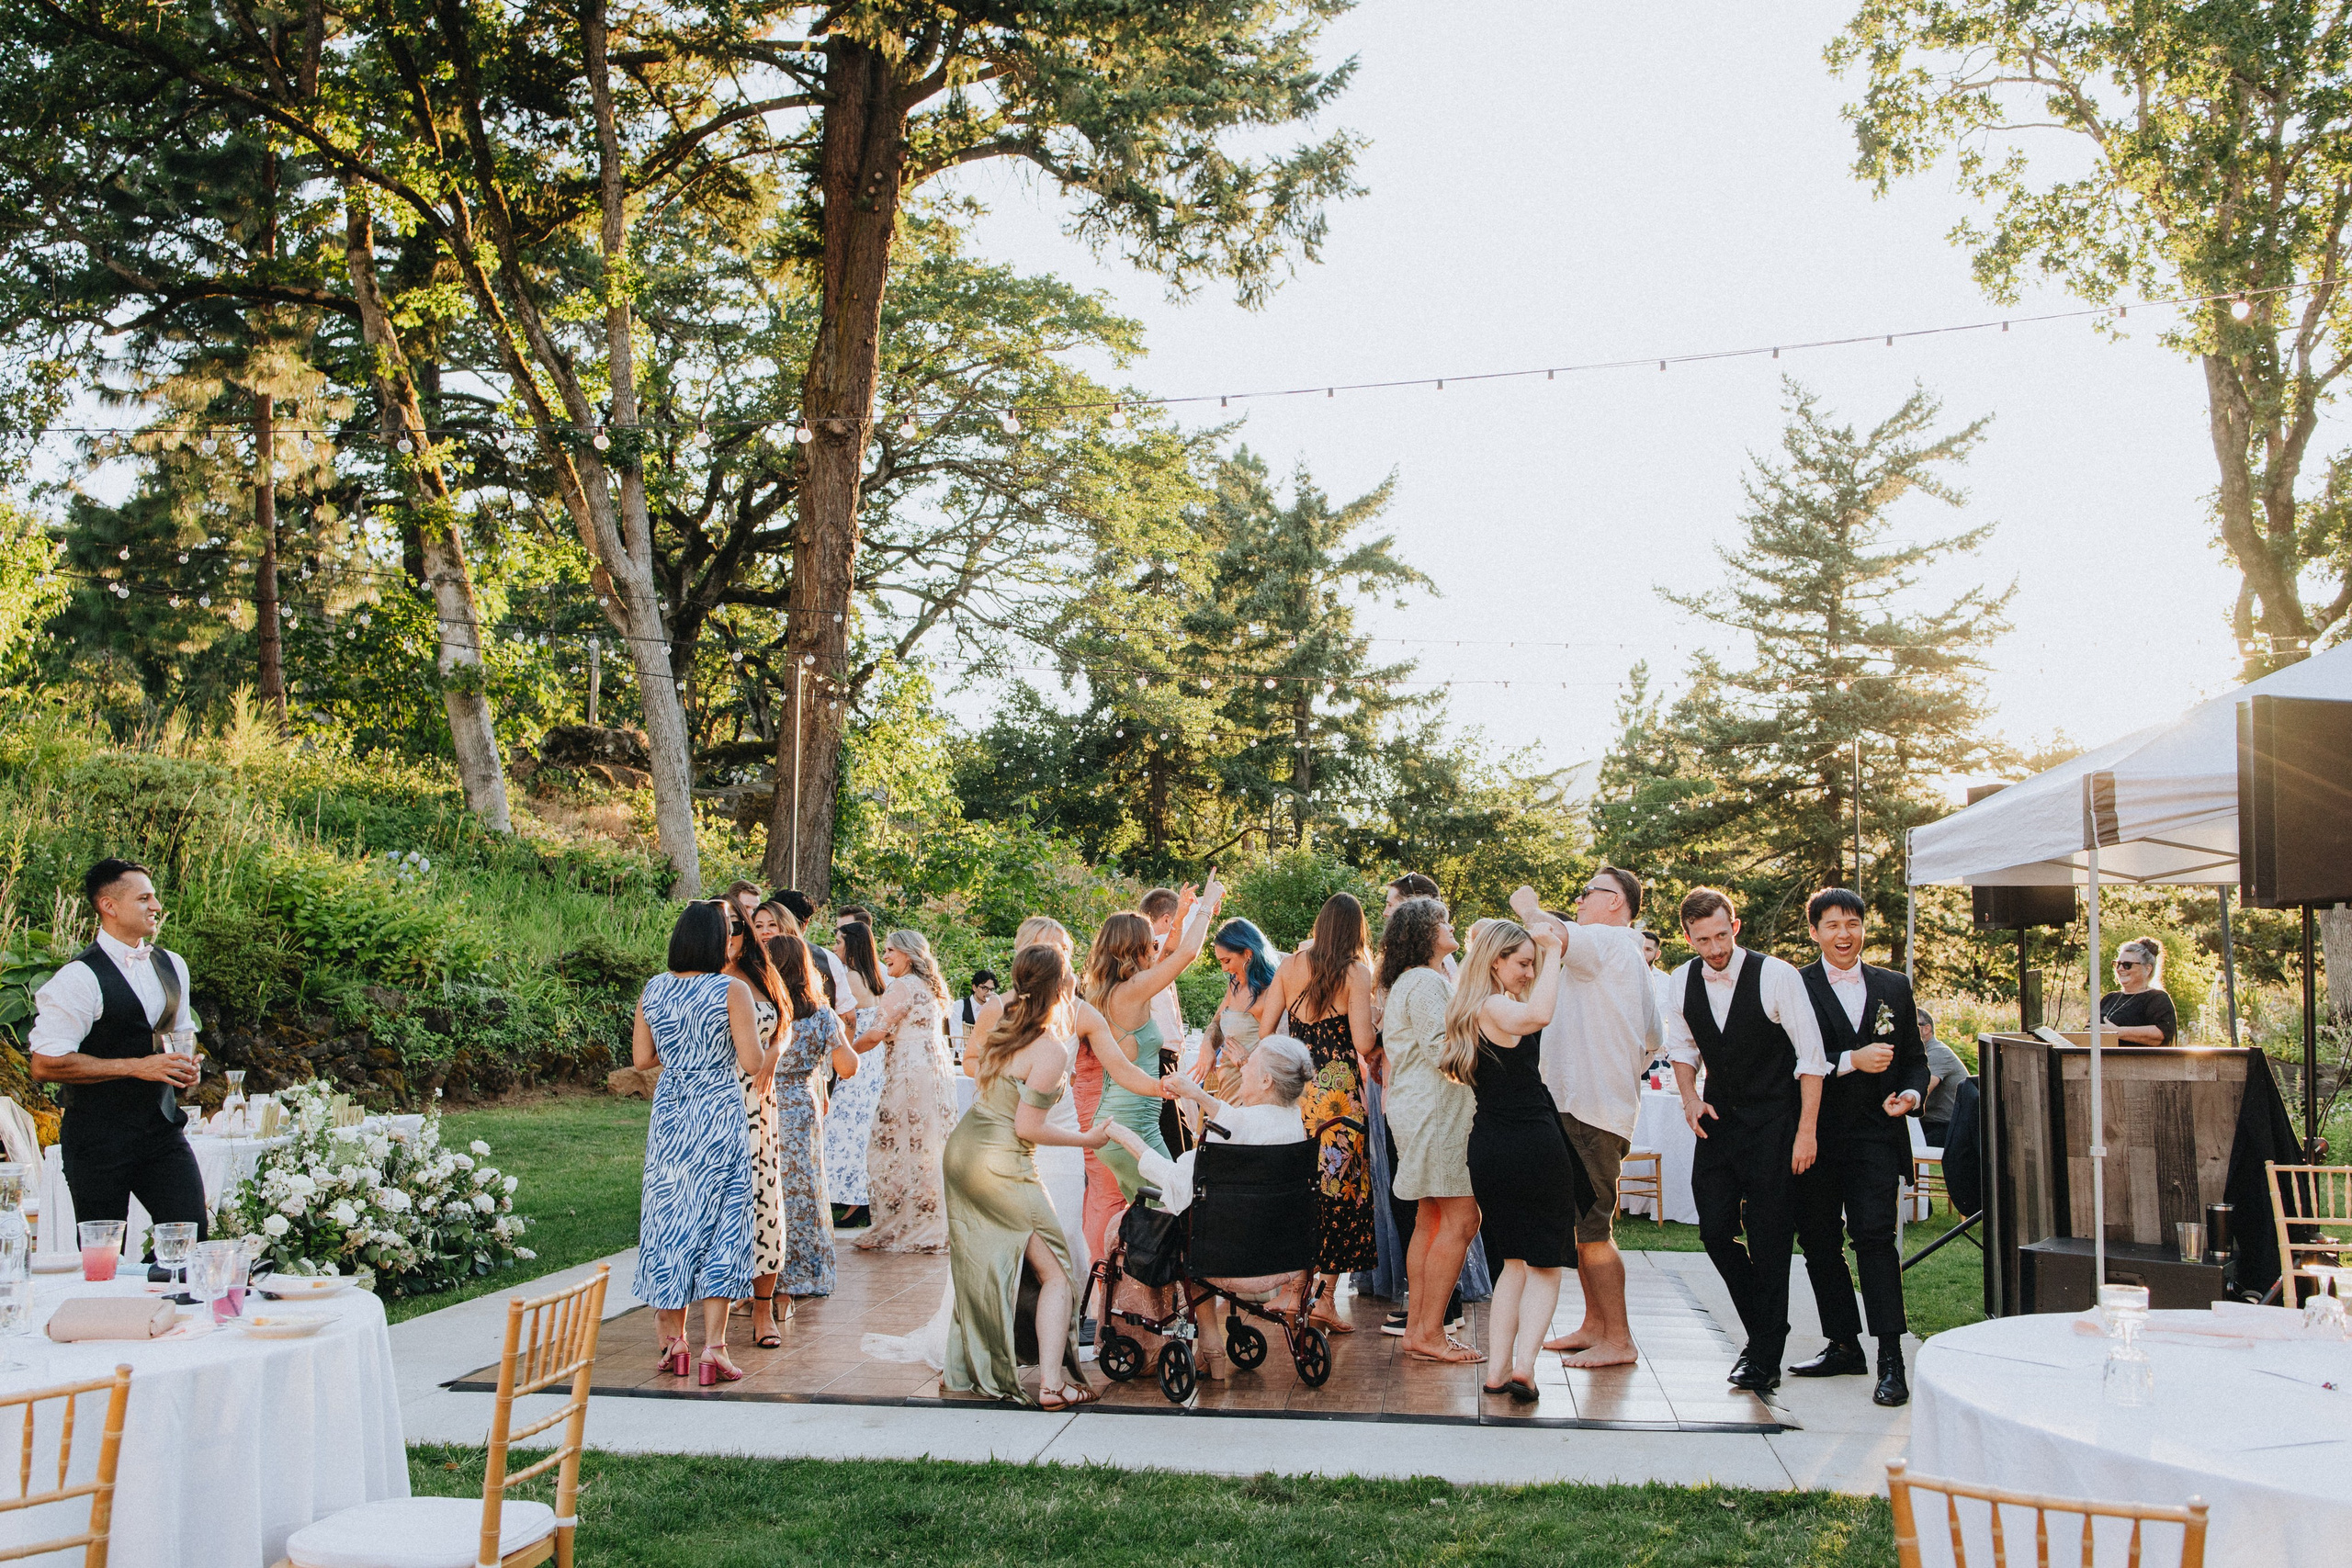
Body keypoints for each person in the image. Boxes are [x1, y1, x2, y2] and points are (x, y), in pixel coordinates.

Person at [1664, 886, 1829, 1395]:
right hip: (1718, 1122)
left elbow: (1811, 1058)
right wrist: (1690, 1097)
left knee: (1770, 1238)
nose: (1715, 949)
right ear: (1688, 938)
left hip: (1776, 1124)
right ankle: (1766, 1328)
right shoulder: (1680, 981)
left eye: (1721, 936)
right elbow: (1682, 1048)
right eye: (1702, 940)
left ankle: (1764, 1357)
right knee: (1714, 1232)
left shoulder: (1776, 975)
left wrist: (1806, 1133)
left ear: (1734, 927)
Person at [943, 943, 1112, 1409]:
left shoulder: (1003, 1028)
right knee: (1058, 1273)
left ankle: (972, 1366)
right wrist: (1087, 1138)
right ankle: (1052, 1385)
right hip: (1001, 1162)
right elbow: (1028, 1127)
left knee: (983, 1265)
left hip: (963, 1151)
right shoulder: (1049, 1049)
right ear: (1061, 987)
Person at [1789, 887, 1928, 1407]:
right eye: (1832, 925)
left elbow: (1914, 1060)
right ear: (1815, 932)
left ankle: (1891, 1358)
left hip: (1876, 1135)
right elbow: (1788, 1059)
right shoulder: (1795, 985)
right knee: (1819, 1241)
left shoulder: (1894, 985)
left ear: (1864, 928)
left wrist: (1911, 1094)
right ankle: (1843, 1344)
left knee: (1874, 1239)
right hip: (1815, 1135)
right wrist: (1851, 1060)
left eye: (1852, 923)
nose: (1844, 934)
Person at [1105, 1036, 1317, 1376]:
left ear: (1266, 1080)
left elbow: (1174, 1183)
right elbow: (1243, 1122)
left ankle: (1159, 1346)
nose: (1241, 1068)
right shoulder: (1293, 1122)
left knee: (1131, 1226)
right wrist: (1197, 1094)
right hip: (1282, 1258)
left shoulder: (1226, 1134)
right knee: (1201, 1228)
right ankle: (1210, 1344)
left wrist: (1127, 1139)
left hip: (1225, 1261)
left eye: (1249, 1063)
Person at [1523, 868, 1664, 1370]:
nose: (1579, 900)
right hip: (1589, 1106)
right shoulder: (1628, 957)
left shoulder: (1607, 941)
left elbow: (1549, 932)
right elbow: (1654, 1038)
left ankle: (1619, 1339)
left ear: (1616, 903)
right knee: (1582, 1227)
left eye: (1589, 893)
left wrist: (1527, 904)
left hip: (1589, 1111)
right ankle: (1594, 1325)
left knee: (1594, 1230)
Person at [29, 859, 208, 1247]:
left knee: (190, 1239)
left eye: (154, 897)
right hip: (97, 1139)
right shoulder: (78, 978)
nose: (156, 906)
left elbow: (181, 1033)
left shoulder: (172, 965)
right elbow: (44, 1064)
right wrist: (137, 1067)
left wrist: (186, 1067)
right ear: (109, 906)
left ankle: (165, 1288)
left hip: (161, 1130)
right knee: (102, 1257)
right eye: (144, 899)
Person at [1443, 912, 1583, 1400]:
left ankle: (1497, 1371)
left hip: (1489, 1148)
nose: (1530, 972)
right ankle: (1524, 1367)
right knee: (1545, 1264)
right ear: (1495, 961)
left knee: (1513, 1264)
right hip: (1532, 1145)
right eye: (1523, 963)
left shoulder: (1470, 1009)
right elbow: (1541, 1015)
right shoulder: (1496, 1007)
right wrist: (1555, 951)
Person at [630, 900, 768, 1385]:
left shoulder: (653, 988)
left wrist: (680, 1052)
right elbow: (752, 1062)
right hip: (716, 1112)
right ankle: (715, 1347)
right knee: (722, 1223)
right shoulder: (731, 989)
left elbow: (642, 1059)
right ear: (717, 942)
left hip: (671, 1115)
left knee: (671, 1218)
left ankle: (675, 1341)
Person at [1078, 885, 1216, 1263]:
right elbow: (1186, 954)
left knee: (1154, 1223)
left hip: (1123, 1123)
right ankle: (1157, 1292)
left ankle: (1134, 1294)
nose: (1156, 949)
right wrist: (1207, 905)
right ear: (1135, 949)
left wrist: (1182, 915)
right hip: (1132, 1126)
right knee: (1178, 1208)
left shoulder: (1106, 991)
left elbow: (1171, 953)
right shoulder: (1133, 990)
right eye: (1150, 944)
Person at [1261, 893, 1382, 1325]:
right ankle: (1326, 1299)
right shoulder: (1356, 973)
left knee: (1303, 1190)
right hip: (1340, 1100)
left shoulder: (1290, 966)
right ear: (1355, 931)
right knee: (1341, 1193)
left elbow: (1266, 1029)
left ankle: (1294, 1292)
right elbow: (1363, 1043)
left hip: (1299, 1093)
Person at [1377, 895, 1481, 1365]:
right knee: (1462, 1219)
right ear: (1423, 933)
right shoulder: (1424, 981)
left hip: (1423, 1111)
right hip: (1437, 1115)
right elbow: (1444, 1050)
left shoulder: (1414, 980)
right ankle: (1431, 1332)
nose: (1450, 927)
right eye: (1443, 921)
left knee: (1431, 1218)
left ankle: (1420, 1330)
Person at [847, 930, 958, 1252]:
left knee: (889, 1147)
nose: (884, 957)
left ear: (908, 954)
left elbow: (875, 1034)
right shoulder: (930, 987)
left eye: (890, 951)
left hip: (909, 1077)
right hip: (932, 1076)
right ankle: (926, 1222)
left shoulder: (902, 986)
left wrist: (843, 1055)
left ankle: (902, 1225)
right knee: (926, 1148)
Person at [765, 931, 847, 1304]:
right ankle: (805, 1271)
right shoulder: (822, 1014)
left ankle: (765, 1271)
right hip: (801, 1103)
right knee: (804, 1186)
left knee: (767, 1185)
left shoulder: (763, 1011)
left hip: (763, 1100)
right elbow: (848, 1066)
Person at [720, 904, 788, 1348]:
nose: (728, 936)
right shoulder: (697, 979)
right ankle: (714, 1309)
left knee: (765, 1202)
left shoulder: (761, 975)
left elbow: (786, 1023)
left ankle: (764, 1310)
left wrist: (775, 1053)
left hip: (758, 1102)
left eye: (734, 928)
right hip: (716, 1100)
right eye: (720, 928)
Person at [822, 920, 888, 1227]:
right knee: (859, 1130)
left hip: (856, 1058)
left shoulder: (849, 978)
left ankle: (855, 1200)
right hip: (874, 1062)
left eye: (838, 942)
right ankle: (856, 1197)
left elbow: (847, 1022)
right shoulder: (874, 976)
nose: (834, 947)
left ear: (851, 945)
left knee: (843, 1128)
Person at [1193, 918, 1283, 1105]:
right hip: (1227, 1090)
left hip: (1253, 1096)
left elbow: (1281, 1060)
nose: (1224, 968)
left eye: (1227, 960)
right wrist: (1207, 1045)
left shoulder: (1270, 994)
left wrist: (1244, 1062)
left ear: (1248, 954)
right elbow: (1217, 1022)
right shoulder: (1235, 984)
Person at [2100, 939, 2178, 1046]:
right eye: (2118, 964)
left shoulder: (2157, 999)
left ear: (2147, 969)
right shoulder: (2109, 998)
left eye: (2127, 965)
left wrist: (2117, 1032)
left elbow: (2161, 1034)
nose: (2120, 969)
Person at [1917, 1010, 1966, 1149]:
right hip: (1931, 1123)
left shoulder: (1938, 1053)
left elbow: (1922, 1090)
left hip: (1946, 1127)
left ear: (1926, 1029)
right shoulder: (1921, 1053)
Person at [948, 970, 1000, 1051]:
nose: (989, 993)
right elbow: (957, 1041)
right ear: (974, 987)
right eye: (985, 988)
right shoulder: (959, 1006)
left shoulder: (994, 1008)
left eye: (992, 990)